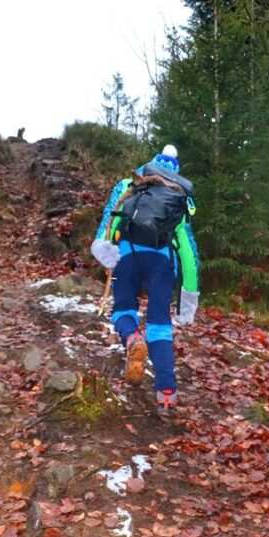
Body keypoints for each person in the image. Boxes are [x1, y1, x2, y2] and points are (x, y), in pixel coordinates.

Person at [90, 144, 200, 414]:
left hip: (127, 254)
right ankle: (166, 393)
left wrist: (102, 249)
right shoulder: (179, 197)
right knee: (159, 324)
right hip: (162, 261)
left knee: (123, 310)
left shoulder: (131, 184)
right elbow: (187, 249)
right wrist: (189, 296)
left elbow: (110, 218)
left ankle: (131, 338)